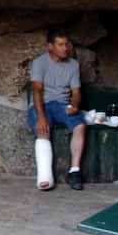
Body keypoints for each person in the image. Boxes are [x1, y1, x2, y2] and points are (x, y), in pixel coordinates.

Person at [29, 28, 85, 190]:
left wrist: (74, 105)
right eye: (60, 45)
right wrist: (41, 116)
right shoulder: (40, 63)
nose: (65, 48)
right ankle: (45, 175)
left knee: (80, 126)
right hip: (43, 104)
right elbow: (37, 90)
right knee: (43, 130)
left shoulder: (73, 65)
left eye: (66, 44)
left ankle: (74, 171)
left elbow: (76, 92)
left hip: (62, 104)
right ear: (50, 46)